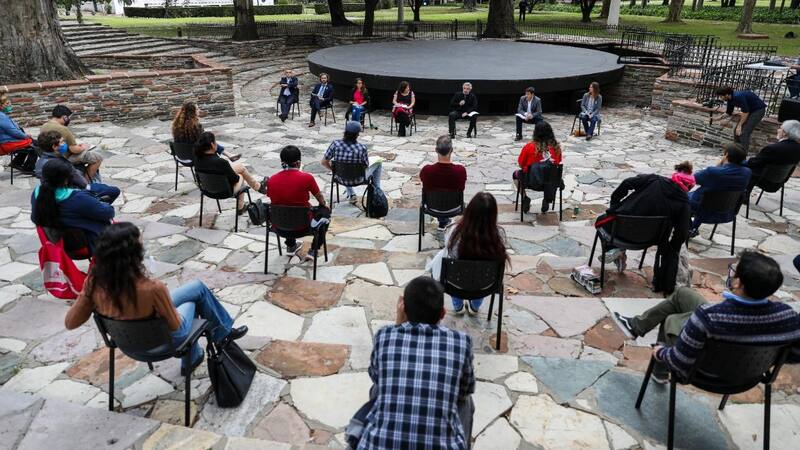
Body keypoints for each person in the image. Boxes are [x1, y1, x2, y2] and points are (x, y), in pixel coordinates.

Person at [64, 222, 248, 375]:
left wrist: (87, 297)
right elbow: (176, 326)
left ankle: (217, 337)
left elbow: (71, 323)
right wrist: (165, 304)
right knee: (193, 300)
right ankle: (215, 340)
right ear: (134, 254)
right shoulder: (152, 289)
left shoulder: (94, 283)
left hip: (127, 344)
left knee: (197, 287)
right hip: (163, 343)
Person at [614, 250, 800, 384]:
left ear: (738, 283)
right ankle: (635, 326)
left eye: (735, 272)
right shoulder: (789, 317)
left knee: (672, 319)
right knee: (683, 294)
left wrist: (661, 352)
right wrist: (762, 356)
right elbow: (795, 354)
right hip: (749, 374)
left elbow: (680, 362)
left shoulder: (709, 317)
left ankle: (660, 370)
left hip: (704, 373)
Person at [347, 277, 475, 450]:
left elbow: (376, 376)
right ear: (443, 313)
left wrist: (398, 326)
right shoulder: (461, 342)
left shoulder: (385, 335)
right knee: (466, 402)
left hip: (377, 445)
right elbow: (466, 389)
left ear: (403, 309)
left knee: (379, 388)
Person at [595, 171, 691, 294]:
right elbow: (681, 233)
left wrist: (615, 203)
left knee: (601, 221)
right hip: (650, 239)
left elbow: (627, 183)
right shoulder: (684, 203)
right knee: (622, 225)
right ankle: (619, 252)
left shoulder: (654, 180)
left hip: (618, 231)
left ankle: (616, 250)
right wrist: (670, 249)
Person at [431, 192, 509, 315]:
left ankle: (458, 305)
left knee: (450, 266)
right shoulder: (499, 234)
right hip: (485, 285)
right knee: (484, 272)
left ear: (469, 211)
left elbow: (450, 253)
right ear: (494, 214)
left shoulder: (454, 231)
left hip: (455, 283)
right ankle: (475, 305)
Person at [31, 158, 115, 253]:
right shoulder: (76, 198)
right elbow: (108, 213)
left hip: (55, 243)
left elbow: (35, 218)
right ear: (66, 179)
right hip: (82, 245)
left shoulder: (37, 194)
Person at [267, 145, 329, 255]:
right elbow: (319, 197)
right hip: (304, 227)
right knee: (325, 212)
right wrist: (324, 204)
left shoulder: (271, 180)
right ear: (298, 162)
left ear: (282, 161)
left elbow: (274, 198)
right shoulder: (307, 178)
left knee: (285, 206)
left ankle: (291, 246)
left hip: (279, 226)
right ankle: (314, 250)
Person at [34, 130, 120, 204]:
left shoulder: (39, 162)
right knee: (114, 190)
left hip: (58, 190)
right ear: (54, 146)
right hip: (72, 191)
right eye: (62, 142)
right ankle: (96, 203)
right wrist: (88, 187)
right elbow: (82, 183)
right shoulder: (61, 164)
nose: (64, 144)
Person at [193, 132, 267, 213]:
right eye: (215, 142)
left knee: (240, 167)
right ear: (212, 145)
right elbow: (235, 179)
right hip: (225, 192)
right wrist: (238, 176)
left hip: (207, 191)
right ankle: (242, 205)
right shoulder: (221, 162)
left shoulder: (196, 159)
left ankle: (257, 188)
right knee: (241, 176)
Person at [688, 143, 751, 234]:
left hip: (703, 208)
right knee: (709, 194)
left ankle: (688, 227)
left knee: (681, 197)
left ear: (726, 155)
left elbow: (693, 179)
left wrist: (718, 165)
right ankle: (693, 228)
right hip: (727, 210)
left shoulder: (713, 172)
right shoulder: (747, 173)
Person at [321, 121, 382, 204]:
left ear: (345, 132)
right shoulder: (361, 148)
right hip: (359, 179)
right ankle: (377, 191)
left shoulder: (335, 144)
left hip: (340, 177)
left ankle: (352, 194)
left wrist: (333, 170)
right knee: (378, 163)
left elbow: (324, 162)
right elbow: (366, 165)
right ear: (357, 134)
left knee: (345, 167)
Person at [40, 105, 104, 182]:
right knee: (97, 158)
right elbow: (74, 150)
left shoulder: (44, 126)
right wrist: (83, 147)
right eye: (68, 117)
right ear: (64, 117)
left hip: (50, 155)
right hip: (64, 157)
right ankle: (86, 182)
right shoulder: (63, 129)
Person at [513, 121, 563, 214]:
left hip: (532, 181)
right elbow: (558, 162)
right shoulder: (556, 147)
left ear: (535, 132)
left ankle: (525, 198)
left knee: (515, 175)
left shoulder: (529, 147)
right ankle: (547, 198)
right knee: (551, 173)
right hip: (551, 183)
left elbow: (521, 163)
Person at [419, 135, 467, 231]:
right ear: (451, 150)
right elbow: (462, 188)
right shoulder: (460, 171)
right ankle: (444, 222)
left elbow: (423, 181)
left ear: (436, 150)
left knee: (440, 194)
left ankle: (443, 222)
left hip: (432, 207)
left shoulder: (427, 170)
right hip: (454, 207)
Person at [172, 102, 240, 161]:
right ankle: (227, 155)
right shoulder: (196, 126)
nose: (199, 110)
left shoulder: (176, 125)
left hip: (181, 156)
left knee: (209, 140)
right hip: (194, 156)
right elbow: (202, 142)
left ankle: (228, 154)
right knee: (209, 141)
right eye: (197, 109)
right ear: (192, 112)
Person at [745, 119, 800, 188]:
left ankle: (741, 196)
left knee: (740, 167)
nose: (778, 130)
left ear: (784, 133)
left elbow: (754, 163)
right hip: (779, 182)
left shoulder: (773, 148)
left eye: (780, 128)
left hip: (763, 180)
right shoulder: (798, 149)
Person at [714, 86, 767, 153]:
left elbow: (745, 112)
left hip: (758, 110)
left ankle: (743, 155)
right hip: (749, 111)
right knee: (736, 132)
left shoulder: (738, 96)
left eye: (721, 96)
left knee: (744, 132)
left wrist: (739, 125)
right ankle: (736, 152)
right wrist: (717, 118)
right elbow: (728, 112)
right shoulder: (729, 99)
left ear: (726, 94)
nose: (720, 98)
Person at [0, 93, 37, 171]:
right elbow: (14, 132)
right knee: (35, 145)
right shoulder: (1, 117)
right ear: (1, 105)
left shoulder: (2, 115)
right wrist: (25, 136)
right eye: (7, 103)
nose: (9, 105)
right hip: (6, 143)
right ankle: (28, 168)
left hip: (6, 141)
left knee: (29, 144)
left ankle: (16, 163)